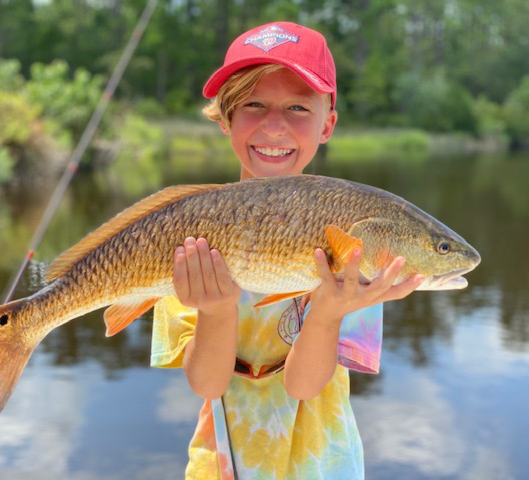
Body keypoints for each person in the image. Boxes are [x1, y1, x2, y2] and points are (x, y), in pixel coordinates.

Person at [150, 22, 425, 479]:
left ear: (328, 124)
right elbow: (206, 383)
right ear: (224, 117)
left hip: (323, 465)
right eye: (253, 104)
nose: (274, 125)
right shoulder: (189, 231)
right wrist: (217, 311)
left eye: (298, 107)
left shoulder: (354, 239)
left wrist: (326, 312)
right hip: (220, 466)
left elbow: (304, 386)